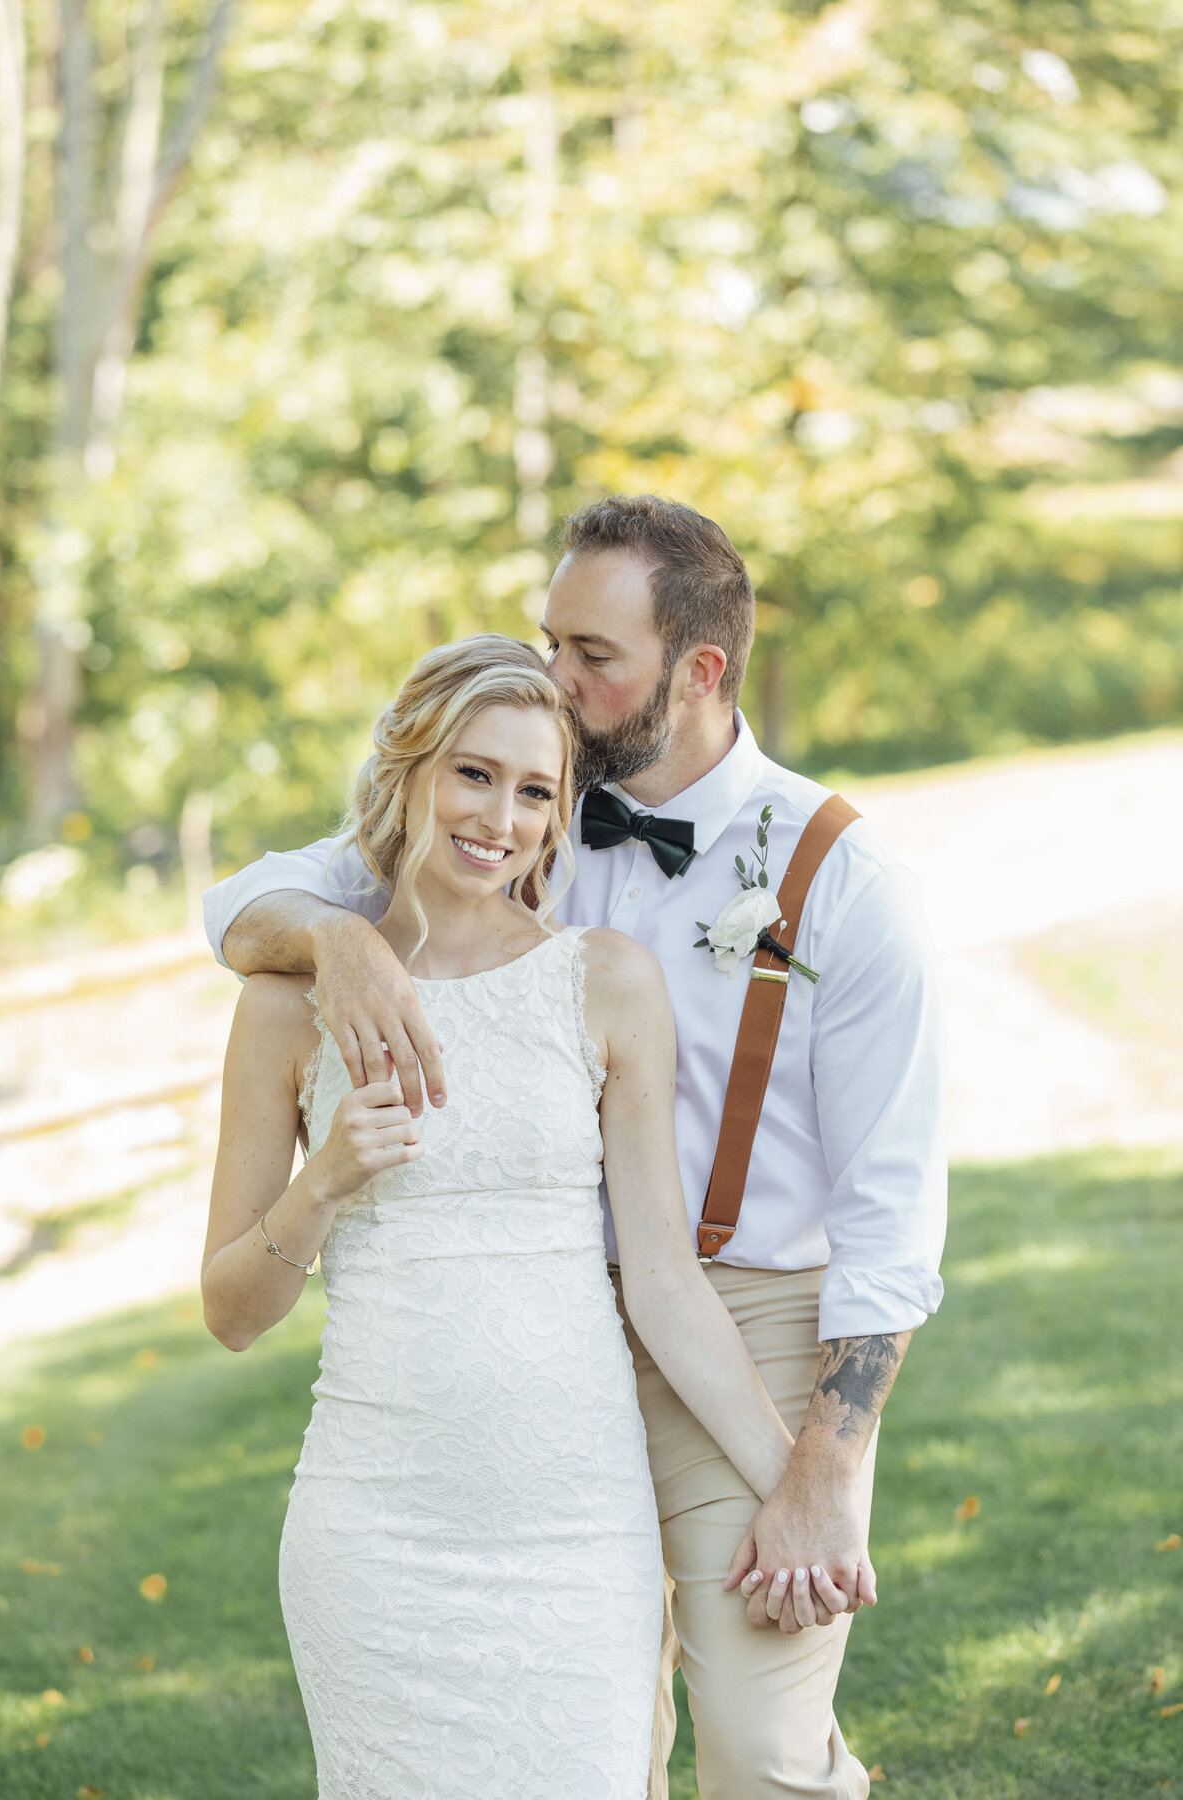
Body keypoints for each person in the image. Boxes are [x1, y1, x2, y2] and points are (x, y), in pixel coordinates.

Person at [204, 494, 948, 1800]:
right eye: (550, 639)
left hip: (746, 1312)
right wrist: (335, 946)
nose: (555, 676)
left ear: (698, 670)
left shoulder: (838, 877)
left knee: (765, 1754)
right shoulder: (494, 811)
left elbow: (891, 1212)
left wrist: (822, 1473)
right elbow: (241, 904)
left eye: (588, 655)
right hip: (466, 1400)